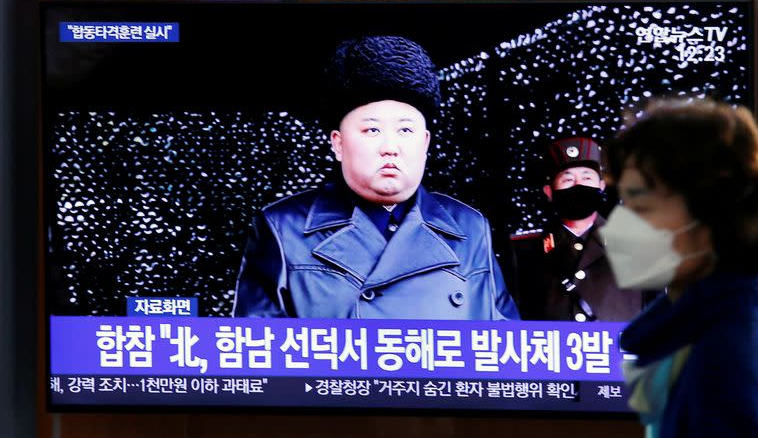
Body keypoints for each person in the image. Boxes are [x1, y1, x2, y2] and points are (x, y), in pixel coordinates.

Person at [233, 35, 518, 320]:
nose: (390, 148)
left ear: (426, 142)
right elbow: (257, 349)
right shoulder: (284, 228)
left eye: (405, 131)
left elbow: (503, 345)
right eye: (372, 130)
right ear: (338, 143)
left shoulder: (469, 227)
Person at [600, 99, 758, 438]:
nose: (618, 228)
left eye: (642, 205)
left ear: (713, 214)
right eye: (624, 203)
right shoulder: (720, 333)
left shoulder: (730, 357)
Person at [510, 136, 645, 322]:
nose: (578, 185)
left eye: (587, 177)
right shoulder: (523, 251)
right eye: (567, 179)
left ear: (601, 186)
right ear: (549, 192)